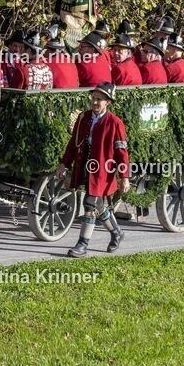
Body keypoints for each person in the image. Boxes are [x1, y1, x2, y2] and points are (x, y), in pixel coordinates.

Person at [56, 82, 130, 257]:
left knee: (89, 204)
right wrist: (63, 164)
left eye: (100, 100)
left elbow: (122, 152)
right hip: (84, 166)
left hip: (103, 170)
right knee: (97, 204)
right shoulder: (84, 117)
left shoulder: (115, 123)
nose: (95, 102)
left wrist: (124, 176)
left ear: (108, 102)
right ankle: (117, 233)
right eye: (94, 98)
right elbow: (73, 144)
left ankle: (82, 244)